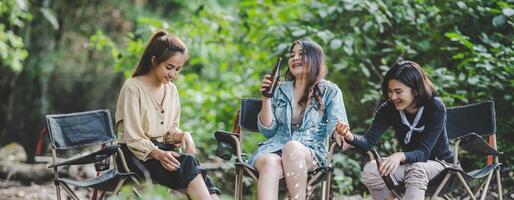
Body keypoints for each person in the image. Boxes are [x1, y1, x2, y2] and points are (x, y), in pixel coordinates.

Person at [115, 31, 219, 200]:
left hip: (163, 153)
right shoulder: (132, 88)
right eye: (169, 67)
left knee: (194, 169)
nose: (172, 74)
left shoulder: (171, 90)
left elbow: (169, 132)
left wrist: (183, 135)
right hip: (133, 156)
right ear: (154, 60)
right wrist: (158, 154)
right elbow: (133, 138)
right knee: (189, 166)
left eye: (177, 69)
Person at [336, 60, 454, 200]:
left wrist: (399, 155)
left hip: (441, 167)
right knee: (372, 170)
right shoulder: (388, 109)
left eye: (398, 92)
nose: (393, 97)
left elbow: (423, 153)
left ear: (415, 91)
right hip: (410, 166)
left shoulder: (435, 107)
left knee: (417, 169)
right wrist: (349, 135)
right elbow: (368, 142)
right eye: (390, 91)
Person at [248, 39, 350, 200]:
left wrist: (340, 134)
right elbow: (268, 131)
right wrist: (266, 98)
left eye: (301, 54)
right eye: (292, 55)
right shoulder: (280, 90)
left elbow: (336, 126)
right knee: (270, 163)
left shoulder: (330, 91)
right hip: (274, 148)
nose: (295, 58)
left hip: (309, 152)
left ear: (314, 59)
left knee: (293, 147)